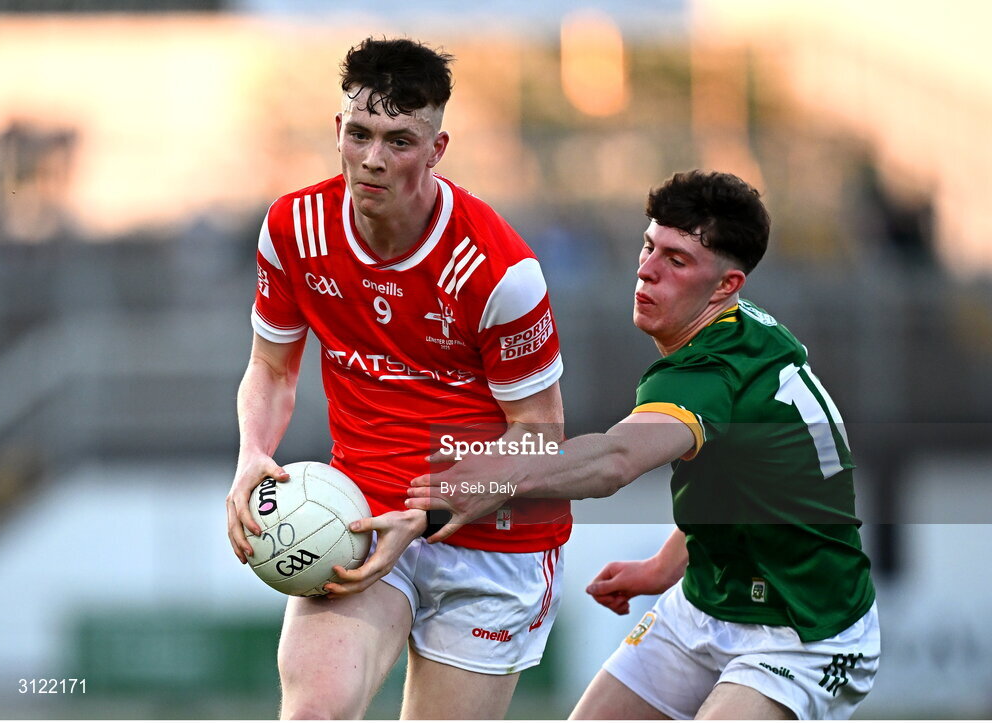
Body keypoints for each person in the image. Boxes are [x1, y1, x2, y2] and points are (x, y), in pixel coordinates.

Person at [407, 170, 880, 719]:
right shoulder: (742, 333)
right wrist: (662, 567)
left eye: (677, 261)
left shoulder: (706, 373)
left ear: (726, 285)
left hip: (803, 631)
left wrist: (495, 479)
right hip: (703, 606)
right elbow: (743, 486)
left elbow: (615, 460)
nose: (646, 271)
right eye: (649, 246)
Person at [224, 38, 570, 720]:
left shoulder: (500, 271)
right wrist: (252, 453)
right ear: (338, 131)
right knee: (312, 709)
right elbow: (270, 367)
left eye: (400, 140)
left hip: (490, 542)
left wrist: (430, 514)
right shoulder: (294, 229)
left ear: (438, 148)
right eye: (360, 133)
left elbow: (540, 437)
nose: (373, 159)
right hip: (359, 515)